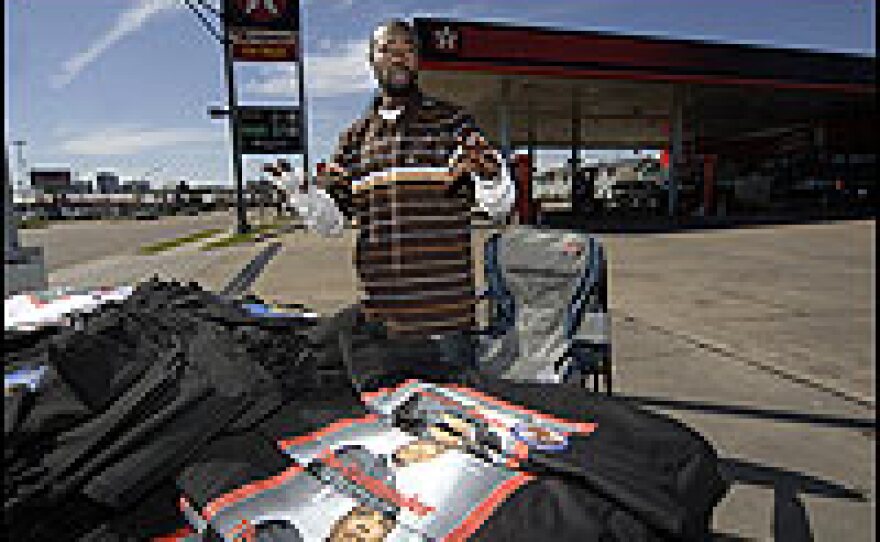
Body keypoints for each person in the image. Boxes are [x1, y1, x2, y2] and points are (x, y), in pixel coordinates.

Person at [281, 19, 515, 368]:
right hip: (380, 322)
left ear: (419, 60)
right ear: (372, 60)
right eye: (387, 50)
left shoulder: (453, 123)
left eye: (407, 50)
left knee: (455, 422)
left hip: (445, 324)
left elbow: (498, 208)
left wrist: (491, 176)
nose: (398, 58)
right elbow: (332, 223)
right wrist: (303, 196)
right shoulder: (354, 139)